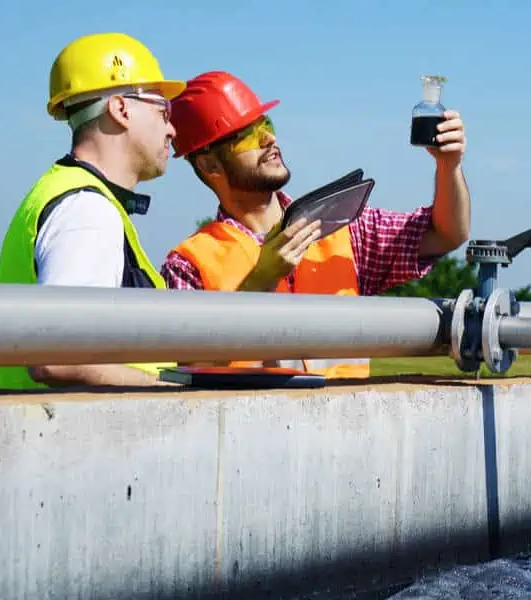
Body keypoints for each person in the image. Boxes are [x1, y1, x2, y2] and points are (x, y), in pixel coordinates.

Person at [160, 70, 471, 378]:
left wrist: (449, 166)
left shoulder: (343, 226)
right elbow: (193, 367)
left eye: (265, 124)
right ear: (209, 164)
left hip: (347, 422)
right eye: (248, 135)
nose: (269, 139)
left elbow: (445, 233)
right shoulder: (188, 264)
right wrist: (261, 279)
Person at [0, 33, 186, 390]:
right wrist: (170, 396)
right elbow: (57, 357)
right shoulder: (86, 211)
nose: (172, 129)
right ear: (121, 109)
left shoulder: (67, 194)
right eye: (162, 110)